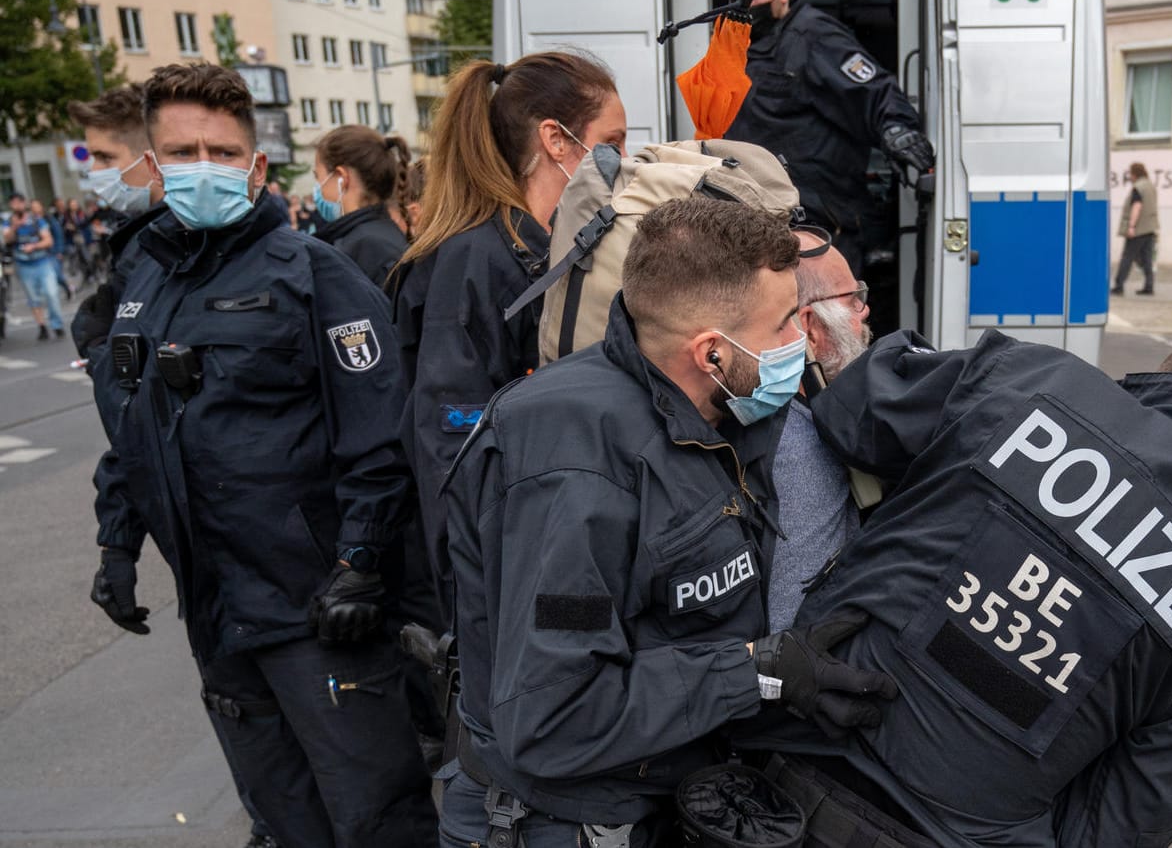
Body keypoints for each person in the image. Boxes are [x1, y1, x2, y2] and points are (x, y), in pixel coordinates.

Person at [437, 197, 895, 848]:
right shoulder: (572, 473)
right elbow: (554, 713)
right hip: (560, 823)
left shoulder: (715, 411)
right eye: (783, 325)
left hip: (663, 792)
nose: (802, 340)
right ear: (710, 351)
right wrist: (755, 671)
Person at [746, 324, 1172, 848]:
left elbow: (857, 409)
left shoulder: (1037, 380)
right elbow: (1134, 813)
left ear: (1167, 377)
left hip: (784, 768)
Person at [85, 64, 436, 847]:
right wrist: (117, 540)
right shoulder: (142, 274)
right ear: (154, 158)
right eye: (182, 149)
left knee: (376, 815)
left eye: (221, 150)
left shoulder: (315, 275)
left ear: (255, 166)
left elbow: (381, 438)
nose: (202, 165)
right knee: (280, 815)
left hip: (316, 610)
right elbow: (132, 421)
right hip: (216, 606)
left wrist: (358, 562)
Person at [392, 51, 625, 612]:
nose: (624, 160)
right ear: (556, 139)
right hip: (502, 583)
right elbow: (454, 453)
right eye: (614, 143)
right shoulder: (478, 260)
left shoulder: (549, 248)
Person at [720, 0, 934, 285]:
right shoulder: (735, 44)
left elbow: (876, 92)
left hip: (820, 233)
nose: (745, 4)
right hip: (764, 230)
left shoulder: (813, 37)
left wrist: (898, 129)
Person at [769, 228, 873, 632]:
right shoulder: (802, 448)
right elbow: (789, 631)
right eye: (853, 300)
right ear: (809, 326)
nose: (864, 311)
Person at [68, 84, 166, 365]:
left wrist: (99, 351)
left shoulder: (175, 238)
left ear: (149, 158)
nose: (95, 171)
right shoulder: (138, 229)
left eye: (105, 157)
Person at [311, 126, 412, 287]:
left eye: (318, 177)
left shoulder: (366, 247)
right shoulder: (375, 236)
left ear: (341, 178)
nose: (317, 188)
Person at [3, 193, 64, 340]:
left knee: (51, 293)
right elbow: (6, 239)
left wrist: (34, 246)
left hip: (43, 262)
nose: (16, 206)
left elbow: (48, 240)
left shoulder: (36, 220)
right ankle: (42, 326)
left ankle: (57, 324)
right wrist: (15, 226)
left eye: (19, 202)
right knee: (33, 298)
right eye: (13, 203)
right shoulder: (8, 221)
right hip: (23, 266)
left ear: (24, 203)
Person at [1111, 162, 1160, 296]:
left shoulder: (1138, 187)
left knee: (1127, 257)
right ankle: (1149, 286)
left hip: (1138, 229)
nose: (1129, 176)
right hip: (1150, 228)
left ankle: (1119, 285)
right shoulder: (1150, 186)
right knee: (1148, 259)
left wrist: (1131, 226)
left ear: (1134, 173)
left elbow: (1137, 206)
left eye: (1130, 173)